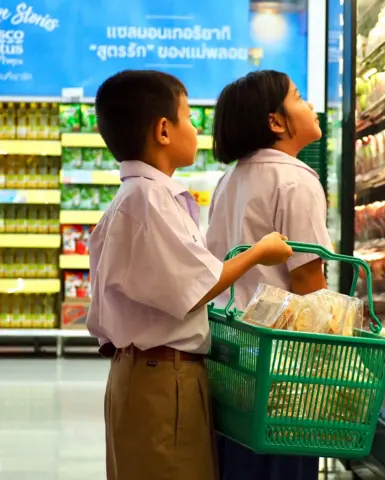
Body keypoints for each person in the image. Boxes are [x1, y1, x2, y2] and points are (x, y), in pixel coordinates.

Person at [85, 69, 293, 480]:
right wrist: (259, 253)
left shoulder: (141, 197)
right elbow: (195, 287)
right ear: (164, 130)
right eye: (188, 116)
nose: (197, 128)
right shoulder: (147, 200)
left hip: (152, 374)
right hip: (162, 379)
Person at [206, 70, 333, 479]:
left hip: (233, 355)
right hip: (284, 370)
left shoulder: (230, 180)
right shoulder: (295, 180)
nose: (310, 105)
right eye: (298, 97)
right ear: (276, 122)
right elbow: (309, 286)